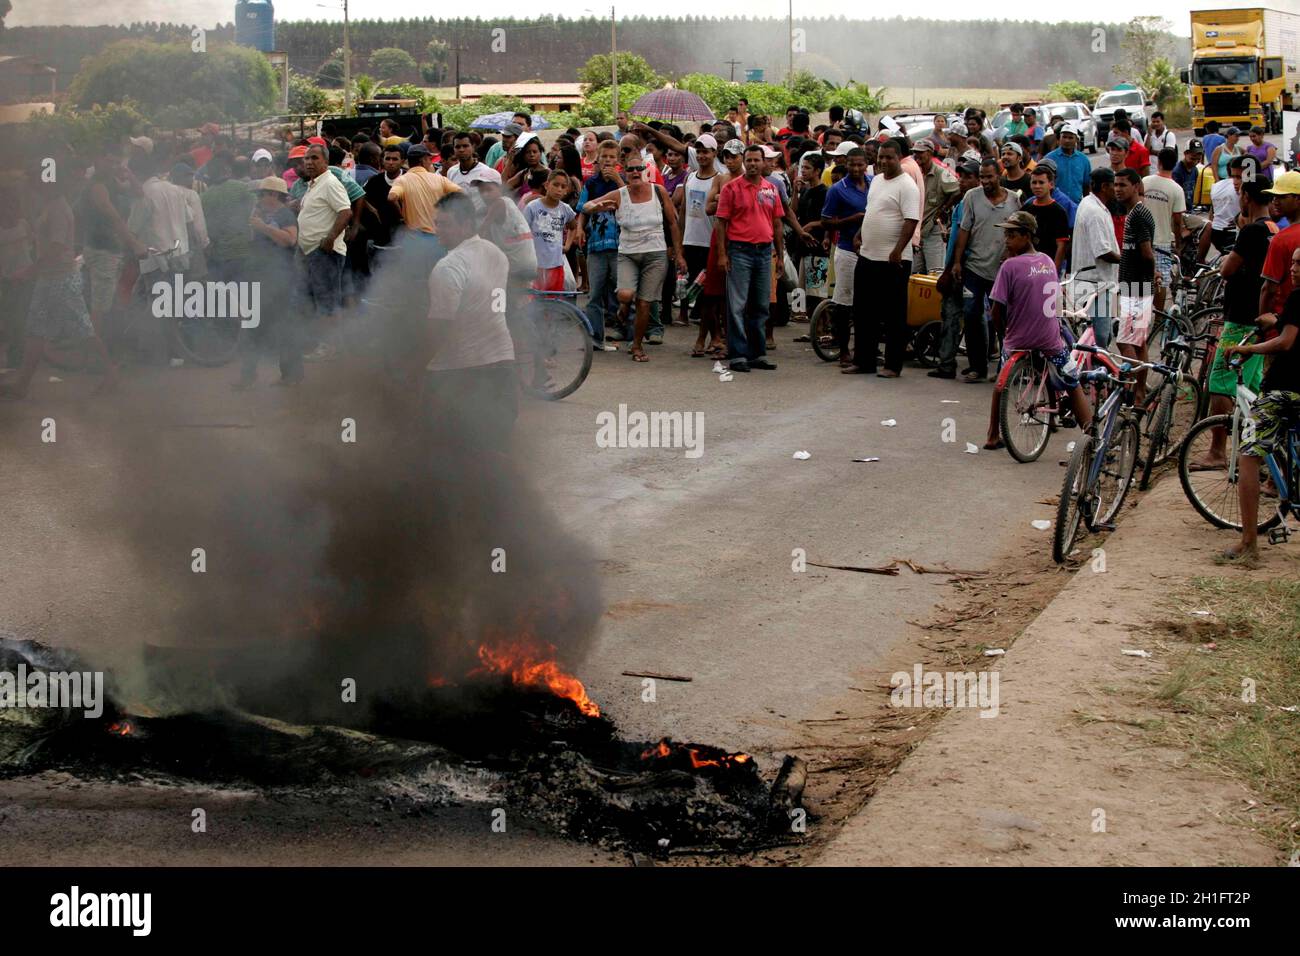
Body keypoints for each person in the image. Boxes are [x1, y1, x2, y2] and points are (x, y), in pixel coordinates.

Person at [3, 159, 117, 397]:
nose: (33, 185)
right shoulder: (51, 205)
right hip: (50, 279)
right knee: (35, 330)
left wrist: (28, 271)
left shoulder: (58, 210)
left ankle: (111, 373)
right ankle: (22, 384)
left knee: (83, 331)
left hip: (61, 279)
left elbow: (56, 248)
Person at [982, 210, 1093, 449]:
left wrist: (1004, 336)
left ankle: (993, 433)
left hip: (1017, 340)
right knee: (1072, 380)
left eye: (1011, 235)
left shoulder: (1009, 267)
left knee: (1001, 385)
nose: (1006, 240)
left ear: (1026, 235)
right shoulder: (1047, 262)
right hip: (1048, 338)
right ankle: (1092, 434)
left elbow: (996, 311)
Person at [1217, 246, 1300, 564]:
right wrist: (1278, 318)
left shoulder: (1298, 297)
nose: (1293, 269)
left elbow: (1287, 341)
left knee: (1249, 455)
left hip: (1285, 392)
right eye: (1292, 263)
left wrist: (1249, 348)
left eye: (1299, 264)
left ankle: (1249, 542)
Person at [420, 192, 518, 457]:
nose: (437, 230)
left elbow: (441, 325)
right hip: (504, 366)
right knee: (495, 454)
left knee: (452, 456)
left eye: (445, 224)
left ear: (466, 226)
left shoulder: (448, 266)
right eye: (437, 222)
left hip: (461, 373)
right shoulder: (497, 254)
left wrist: (417, 366)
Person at [580, 157, 685, 364]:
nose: (635, 172)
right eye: (630, 170)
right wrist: (596, 208)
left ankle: (637, 345)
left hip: (655, 254)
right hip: (628, 254)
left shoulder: (658, 191)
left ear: (645, 171)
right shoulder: (619, 195)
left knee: (645, 303)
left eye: (639, 169)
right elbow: (586, 205)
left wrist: (679, 254)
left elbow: (673, 223)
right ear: (625, 173)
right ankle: (624, 308)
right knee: (626, 295)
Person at [847, 140, 920, 378]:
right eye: (881, 157)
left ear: (899, 158)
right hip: (868, 255)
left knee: (893, 314)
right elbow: (871, 211)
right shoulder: (877, 180)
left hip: (894, 260)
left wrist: (898, 249)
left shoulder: (907, 186)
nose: (884, 161)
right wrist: (859, 233)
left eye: (889, 157)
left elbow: (910, 221)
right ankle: (864, 361)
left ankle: (892, 365)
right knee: (863, 311)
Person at [714, 144, 785, 373]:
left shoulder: (770, 189)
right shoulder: (731, 189)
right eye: (750, 160)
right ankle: (738, 355)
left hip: (765, 253)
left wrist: (780, 255)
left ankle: (758, 353)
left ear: (764, 162)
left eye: (757, 160)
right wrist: (723, 255)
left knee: (761, 305)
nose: (753, 164)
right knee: (736, 306)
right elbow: (721, 222)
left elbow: (777, 223)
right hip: (740, 251)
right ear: (745, 161)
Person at [951, 159, 1018, 382]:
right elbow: (964, 230)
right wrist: (958, 261)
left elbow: (1019, 235)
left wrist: (1011, 257)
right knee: (971, 315)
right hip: (974, 268)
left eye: (989, 176)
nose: (986, 181)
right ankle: (977, 367)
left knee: (1002, 320)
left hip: (1002, 271)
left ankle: (1004, 368)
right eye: (982, 177)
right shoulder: (972, 197)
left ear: (999, 175)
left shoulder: (1014, 201)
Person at [237, 176, 301, 388]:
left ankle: (291, 375)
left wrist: (263, 227)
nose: (260, 198)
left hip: (280, 278)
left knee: (283, 327)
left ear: (274, 195)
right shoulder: (261, 214)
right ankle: (248, 375)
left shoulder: (285, 214)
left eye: (263, 194)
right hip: (260, 276)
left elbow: (290, 239)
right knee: (252, 325)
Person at [295, 144, 352, 360]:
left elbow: (345, 211)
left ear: (325, 161)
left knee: (327, 300)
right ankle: (328, 344)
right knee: (321, 299)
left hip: (325, 252)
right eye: (307, 158)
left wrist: (330, 237)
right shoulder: (313, 185)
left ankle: (330, 347)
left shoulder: (329, 182)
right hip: (313, 253)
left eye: (314, 158)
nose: (309, 162)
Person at [930, 159, 982, 379]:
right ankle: (950, 363)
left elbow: (963, 240)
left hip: (967, 268)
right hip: (958, 265)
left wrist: (951, 268)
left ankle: (964, 364)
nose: (963, 182)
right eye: (961, 177)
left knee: (967, 316)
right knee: (962, 315)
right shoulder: (962, 203)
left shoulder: (974, 203)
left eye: (969, 177)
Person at [820, 146, 870, 367]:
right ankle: (843, 350)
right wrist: (853, 219)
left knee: (867, 304)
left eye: (860, 164)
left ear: (866, 164)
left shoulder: (874, 184)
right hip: (847, 249)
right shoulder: (837, 189)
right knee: (844, 302)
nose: (857, 168)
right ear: (846, 165)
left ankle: (865, 348)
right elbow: (826, 221)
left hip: (871, 251)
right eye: (852, 164)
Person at [675, 133, 722, 347]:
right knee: (700, 294)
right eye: (700, 152)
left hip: (710, 244)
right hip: (691, 243)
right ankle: (711, 337)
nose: (702, 156)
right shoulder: (689, 177)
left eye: (706, 152)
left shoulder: (720, 179)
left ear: (714, 153)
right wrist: (679, 249)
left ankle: (708, 338)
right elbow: (683, 213)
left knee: (710, 296)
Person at [1114, 167, 1157, 404]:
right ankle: (1140, 392)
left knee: (1124, 340)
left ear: (1137, 186)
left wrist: (1150, 282)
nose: (1118, 189)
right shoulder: (1134, 213)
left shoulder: (1139, 214)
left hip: (1138, 288)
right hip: (1135, 287)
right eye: (1116, 185)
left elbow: (1147, 255)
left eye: (1123, 185)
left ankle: (1136, 389)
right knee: (1138, 341)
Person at [1071, 168, 1122, 347]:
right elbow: (1103, 252)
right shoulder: (1094, 211)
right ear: (1104, 186)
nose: (1116, 190)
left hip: (1095, 282)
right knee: (1101, 338)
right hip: (1097, 285)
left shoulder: (1090, 203)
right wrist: (1126, 260)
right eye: (1113, 185)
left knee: (1098, 335)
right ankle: (1094, 372)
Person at [388, 143, 462, 265]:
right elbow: (460, 193)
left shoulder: (402, 180)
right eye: (429, 159)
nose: (431, 162)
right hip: (439, 238)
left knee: (416, 278)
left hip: (414, 239)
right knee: (438, 275)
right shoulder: (439, 179)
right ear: (424, 160)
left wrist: (401, 215)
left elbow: (392, 197)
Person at [1142, 147, 1187, 314]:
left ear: (1158, 162)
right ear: (1174, 165)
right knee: (1160, 280)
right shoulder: (1176, 189)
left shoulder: (1145, 182)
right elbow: (1177, 220)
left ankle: (1139, 314)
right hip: (1162, 241)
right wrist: (1179, 245)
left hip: (1142, 240)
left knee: (1140, 277)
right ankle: (1159, 316)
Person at [524, 169, 578, 292]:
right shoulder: (532, 207)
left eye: (563, 186)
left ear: (566, 191)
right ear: (547, 185)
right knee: (535, 301)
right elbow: (524, 232)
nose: (559, 189)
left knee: (553, 302)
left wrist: (568, 245)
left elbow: (573, 226)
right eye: (555, 184)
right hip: (535, 265)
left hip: (556, 265)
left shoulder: (565, 209)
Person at [913, 140, 959, 274]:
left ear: (930, 153)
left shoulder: (941, 172)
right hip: (917, 229)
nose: (918, 155)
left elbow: (957, 191)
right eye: (916, 152)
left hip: (932, 230)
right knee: (915, 273)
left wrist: (944, 209)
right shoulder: (916, 172)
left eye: (921, 152)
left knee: (934, 272)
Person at [1259, 172, 1300, 316]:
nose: (1275, 201)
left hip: (1284, 320)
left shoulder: (1281, 239)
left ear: (1297, 199)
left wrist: (1262, 326)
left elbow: (1269, 289)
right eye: (1274, 196)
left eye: (1282, 197)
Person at [1022, 165, 1070, 275]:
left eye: (1041, 182)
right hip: (1027, 266)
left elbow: (1061, 246)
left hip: (1047, 266)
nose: (1037, 186)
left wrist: (1053, 271)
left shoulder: (1058, 212)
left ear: (1051, 185)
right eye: (1034, 183)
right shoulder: (1026, 208)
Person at [1200, 155, 1244, 261]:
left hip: (1215, 231)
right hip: (1232, 233)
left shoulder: (1216, 186)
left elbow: (1212, 211)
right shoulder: (1240, 188)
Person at [1042, 122, 1091, 204]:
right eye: (1064, 137)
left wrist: (1085, 205)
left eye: (1070, 138)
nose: (1067, 140)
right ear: (1059, 139)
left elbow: (1086, 185)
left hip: (1076, 206)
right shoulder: (1049, 158)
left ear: (1076, 140)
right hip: (1055, 205)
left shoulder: (1084, 159)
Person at [1172, 139, 1205, 209]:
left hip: (1189, 208)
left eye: (1198, 159)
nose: (1195, 162)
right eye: (1192, 159)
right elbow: (1175, 197)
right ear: (1185, 153)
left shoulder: (1195, 170)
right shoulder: (1177, 172)